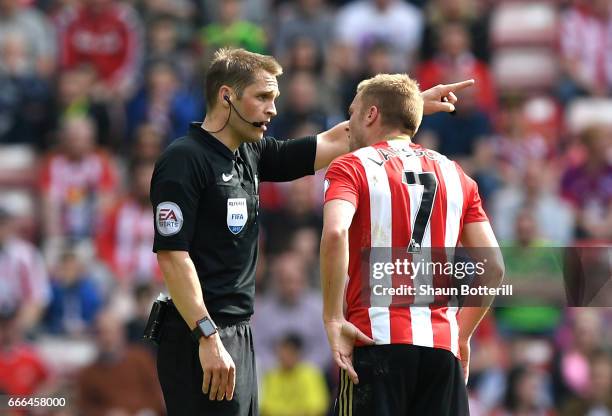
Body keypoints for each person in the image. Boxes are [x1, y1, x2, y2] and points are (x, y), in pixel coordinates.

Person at [151, 47, 474, 415]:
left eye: (274, 98)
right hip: (198, 332)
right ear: (227, 96)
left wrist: (404, 106)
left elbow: (340, 140)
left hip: (236, 330)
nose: (273, 109)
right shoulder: (184, 159)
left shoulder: (250, 154)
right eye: (263, 97)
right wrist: (206, 335)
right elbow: (173, 258)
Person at [320, 73, 504, 415]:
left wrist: (332, 318)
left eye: (353, 113)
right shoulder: (456, 173)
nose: (348, 126)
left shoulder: (350, 166)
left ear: (371, 115)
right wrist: (460, 336)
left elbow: (335, 233)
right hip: (440, 351)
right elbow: (493, 267)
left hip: (375, 342)